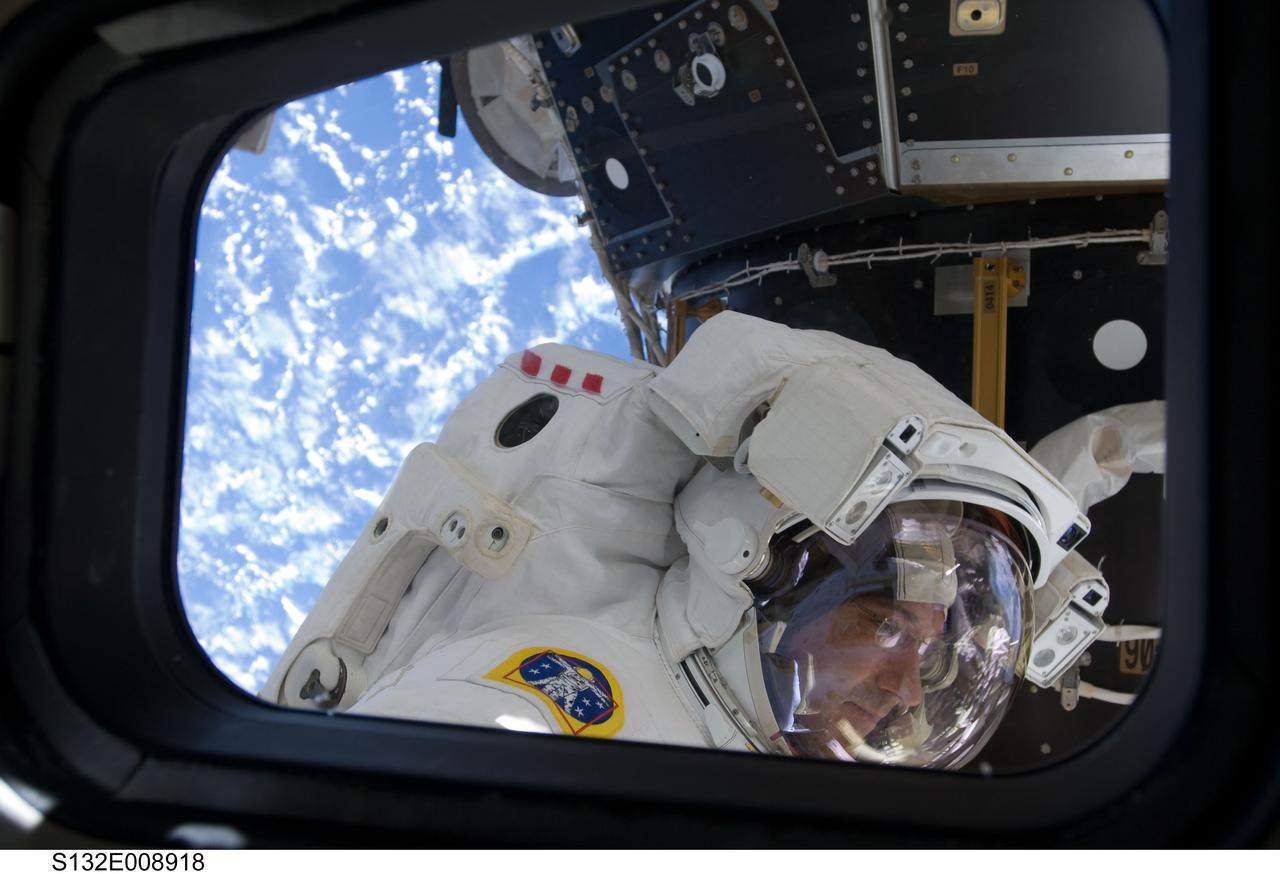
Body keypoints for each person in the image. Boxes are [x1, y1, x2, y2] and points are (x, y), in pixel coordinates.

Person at [262, 312, 1089, 768]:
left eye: (931, 653)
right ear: (763, 577)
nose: (910, 692)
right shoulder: (585, 693)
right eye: (884, 627)